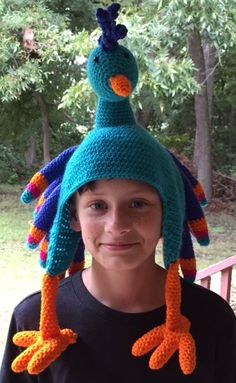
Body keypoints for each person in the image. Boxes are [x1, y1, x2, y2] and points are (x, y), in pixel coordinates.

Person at [0, 3, 235, 383]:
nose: (117, 224)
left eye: (138, 204)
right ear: (72, 216)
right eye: (97, 205)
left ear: (168, 215)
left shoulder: (212, 321)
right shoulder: (33, 321)